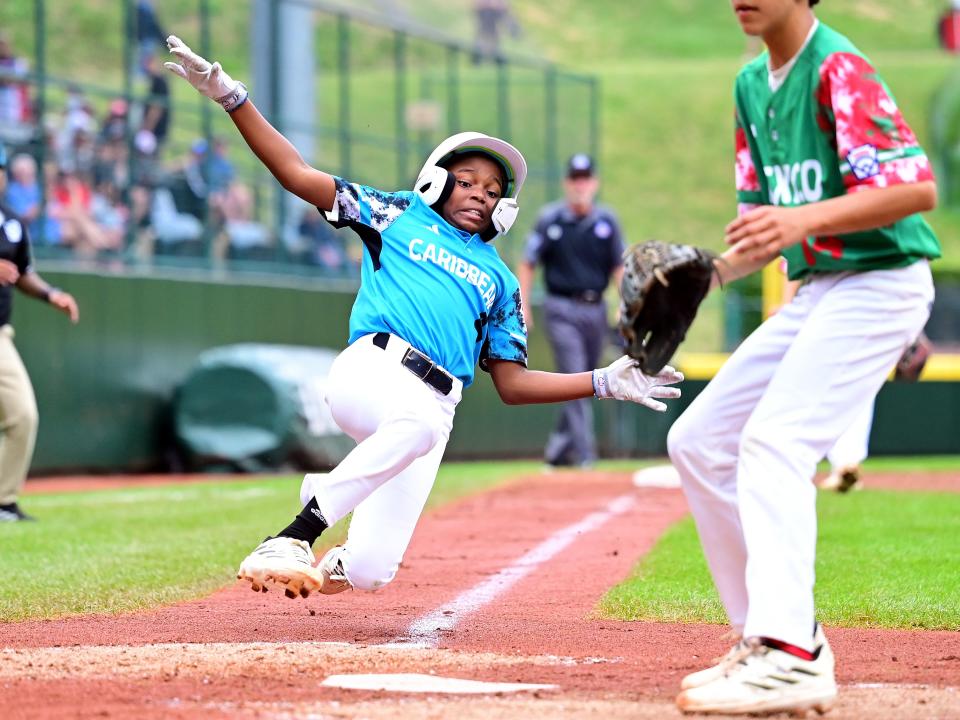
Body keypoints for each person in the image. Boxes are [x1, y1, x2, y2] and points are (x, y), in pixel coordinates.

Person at [163, 36, 683, 598]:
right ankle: (294, 535)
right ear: (436, 178)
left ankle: (337, 521)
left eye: (493, 189)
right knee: (418, 424)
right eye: (467, 180)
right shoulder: (394, 214)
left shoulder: (502, 282)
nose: (480, 194)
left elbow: (512, 384)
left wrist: (603, 380)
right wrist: (232, 97)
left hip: (436, 408)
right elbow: (297, 174)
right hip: (372, 371)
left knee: (371, 573)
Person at [666, 0, 940, 715]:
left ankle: (790, 654)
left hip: (881, 283)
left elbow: (916, 188)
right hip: (820, 287)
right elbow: (766, 228)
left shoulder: (838, 67)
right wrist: (709, 276)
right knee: (695, 441)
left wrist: (803, 221)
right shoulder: (750, 86)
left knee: (775, 442)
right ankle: (766, 640)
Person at [518, 153, 625, 469]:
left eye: (586, 178)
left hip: (596, 309)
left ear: (594, 183)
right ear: (567, 183)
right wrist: (523, 305)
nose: (580, 185)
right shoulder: (551, 219)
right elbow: (527, 262)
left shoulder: (607, 221)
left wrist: (627, 304)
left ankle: (557, 450)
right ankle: (585, 454)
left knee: (581, 380)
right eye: (575, 179)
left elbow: (620, 267)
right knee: (578, 373)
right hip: (561, 308)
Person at [0, 141, 80, 522]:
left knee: (22, 415)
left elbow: (23, 273)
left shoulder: (12, 221)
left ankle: (3, 503)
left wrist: (52, 294)